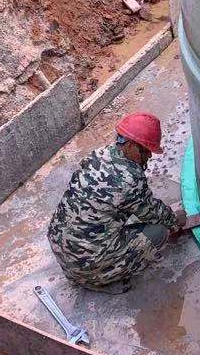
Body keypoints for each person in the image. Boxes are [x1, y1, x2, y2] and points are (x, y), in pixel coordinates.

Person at [47, 111, 186, 294]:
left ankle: (89, 271)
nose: (149, 157)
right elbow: (153, 212)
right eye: (146, 151)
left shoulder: (96, 156)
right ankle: (101, 279)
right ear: (130, 145)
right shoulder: (130, 179)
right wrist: (175, 220)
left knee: (123, 219)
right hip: (86, 264)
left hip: (61, 248)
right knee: (159, 231)